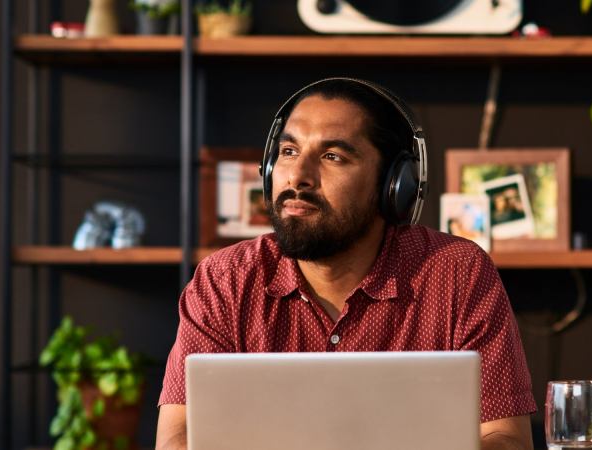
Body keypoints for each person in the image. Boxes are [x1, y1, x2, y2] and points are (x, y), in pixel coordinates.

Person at [155, 78, 536, 450]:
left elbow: (506, 438)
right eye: (288, 151)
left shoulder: (456, 273)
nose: (298, 176)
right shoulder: (225, 279)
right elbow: (178, 438)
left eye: (332, 156)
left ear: (394, 185)